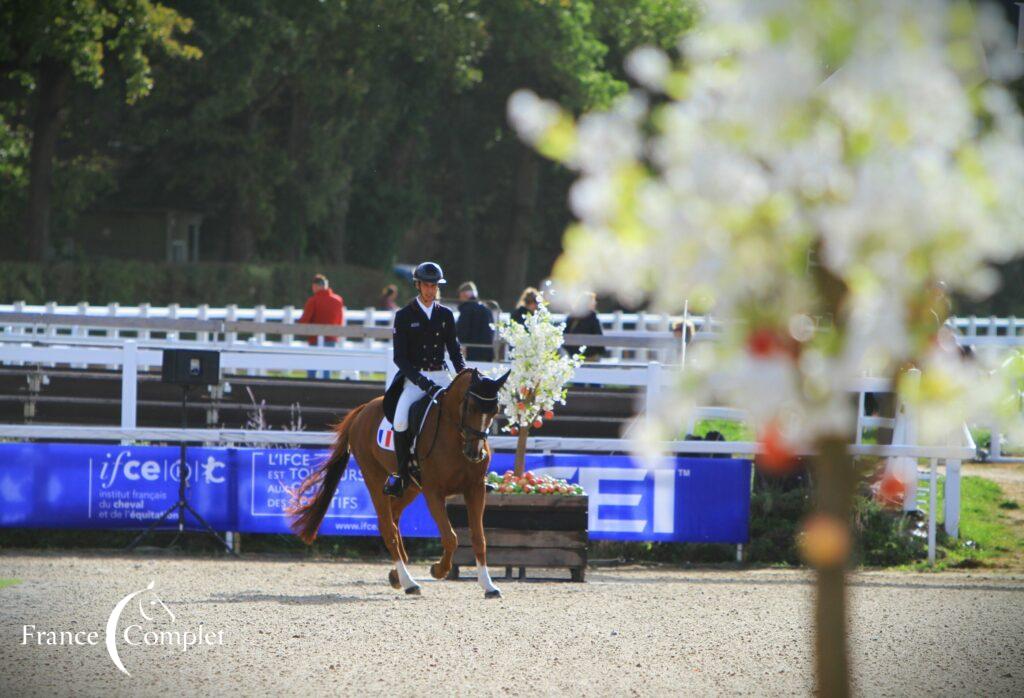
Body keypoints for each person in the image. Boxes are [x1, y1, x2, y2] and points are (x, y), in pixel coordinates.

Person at [381, 261, 465, 497]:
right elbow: (400, 358)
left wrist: (463, 376)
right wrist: (421, 382)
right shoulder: (405, 316)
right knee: (399, 421)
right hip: (416, 378)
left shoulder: (446, 315)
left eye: (434, 285)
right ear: (418, 286)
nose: (430, 290)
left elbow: (455, 351)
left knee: (467, 410)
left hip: (442, 374)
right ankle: (402, 475)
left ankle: (473, 470)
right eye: (426, 285)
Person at [298, 274, 345, 379]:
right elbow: (340, 321)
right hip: (331, 338)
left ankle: (309, 389)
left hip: (314, 339)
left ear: (316, 286)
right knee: (327, 366)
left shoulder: (313, 300)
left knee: (312, 366)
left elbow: (305, 320)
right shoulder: (338, 300)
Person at [456, 281, 495, 361]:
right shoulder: (487, 309)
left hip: (471, 354)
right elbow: (492, 332)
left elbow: (462, 332)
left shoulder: (466, 310)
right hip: (488, 354)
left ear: (464, 295)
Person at [564, 292, 605, 360]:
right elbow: (599, 338)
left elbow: (563, 336)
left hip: (574, 356)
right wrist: (602, 353)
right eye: (593, 301)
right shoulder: (593, 318)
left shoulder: (572, 316)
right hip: (591, 356)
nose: (595, 303)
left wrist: (571, 352)